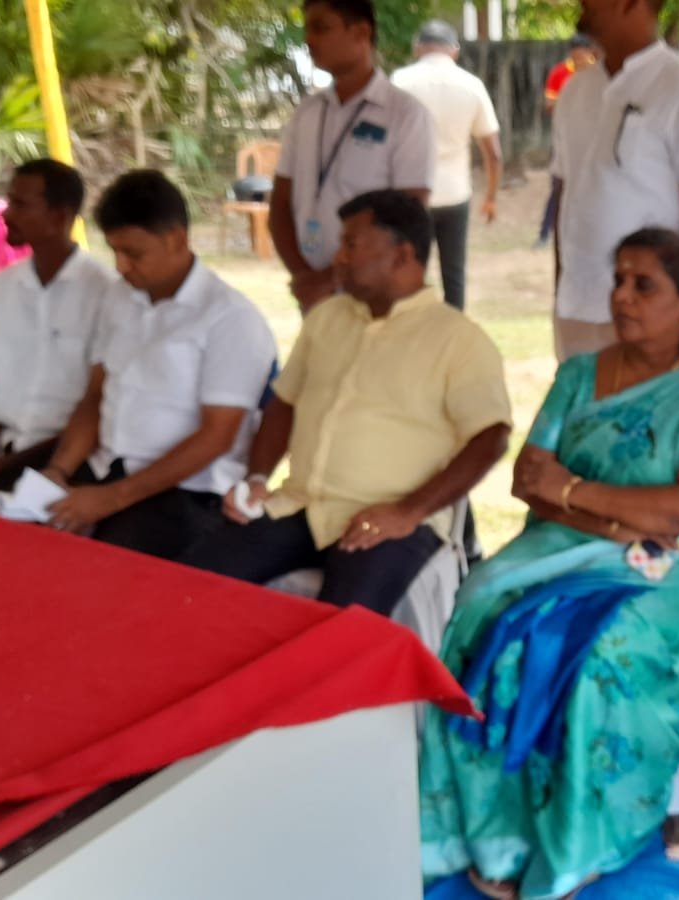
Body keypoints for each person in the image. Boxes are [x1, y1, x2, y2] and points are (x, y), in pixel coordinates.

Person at [418, 228, 679, 900]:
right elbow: (529, 480)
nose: (622, 297)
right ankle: (495, 832)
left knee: (598, 654)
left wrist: (574, 491)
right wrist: (615, 518)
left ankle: (578, 841)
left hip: (670, 566)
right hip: (574, 541)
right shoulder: (580, 375)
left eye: (644, 285)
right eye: (618, 280)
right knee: (481, 605)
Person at [180, 191, 512, 614]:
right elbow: (284, 403)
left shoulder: (458, 340)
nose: (338, 257)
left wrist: (408, 512)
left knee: (343, 628)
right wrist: (258, 477)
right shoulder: (327, 318)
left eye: (351, 244)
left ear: (402, 255)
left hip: (387, 520)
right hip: (301, 506)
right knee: (189, 585)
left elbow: (491, 437)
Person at [40, 170, 276, 561]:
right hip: (105, 469)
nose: (121, 266)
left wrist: (109, 500)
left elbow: (216, 437)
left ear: (177, 240)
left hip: (186, 491)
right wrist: (59, 471)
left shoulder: (230, 318)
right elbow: (96, 395)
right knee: (22, 541)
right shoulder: (119, 298)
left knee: (101, 568)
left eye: (134, 254)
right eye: (114, 251)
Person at [549, 0, 679, 361]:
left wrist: (674, 316)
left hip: (649, 325)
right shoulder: (575, 90)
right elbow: (567, 200)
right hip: (576, 310)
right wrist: (560, 289)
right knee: (579, 400)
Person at [0, 159, 117, 496]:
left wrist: (1, 468)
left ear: (59, 217)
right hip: (7, 452)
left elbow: (102, 404)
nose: (6, 214)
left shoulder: (106, 293)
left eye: (20, 204)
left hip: (73, 462)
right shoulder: (4, 287)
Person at [269, 0, 435, 314]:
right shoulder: (307, 113)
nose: (309, 40)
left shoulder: (405, 114)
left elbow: (410, 214)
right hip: (313, 293)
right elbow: (279, 203)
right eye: (308, 30)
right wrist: (304, 277)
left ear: (361, 32)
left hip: (375, 293)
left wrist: (331, 279)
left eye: (321, 28)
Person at [392, 20, 503, 312]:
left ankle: (410, 332)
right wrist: (491, 197)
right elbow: (493, 153)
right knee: (454, 276)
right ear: (454, 51)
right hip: (455, 193)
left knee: (410, 273)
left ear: (418, 48)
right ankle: (454, 333)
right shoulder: (471, 85)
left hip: (410, 194)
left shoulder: (399, 83)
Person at [536, 35, 598, 249]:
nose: (579, 58)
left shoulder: (599, 73)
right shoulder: (560, 73)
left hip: (594, 141)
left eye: (582, 54)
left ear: (590, 52)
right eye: (575, 54)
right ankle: (545, 233)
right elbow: (549, 104)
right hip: (565, 139)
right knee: (558, 186)